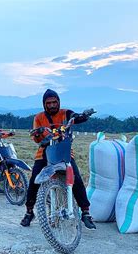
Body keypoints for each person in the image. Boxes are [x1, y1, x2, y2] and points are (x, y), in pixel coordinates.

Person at [20, 89, 96, 230]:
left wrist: (83, 116)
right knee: (34, 180)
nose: (52, 105)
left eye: (55, 102)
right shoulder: (38, 117)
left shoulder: (65, 113)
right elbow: (36, 138)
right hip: (45, 152)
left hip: (64, 151)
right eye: (49, 103)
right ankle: (29, 212)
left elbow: (75, 117)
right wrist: (39, 133)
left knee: (77, 179)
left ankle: (85, 212)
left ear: (59, 102)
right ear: (44, 104)